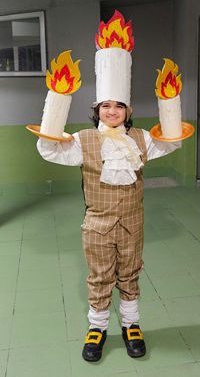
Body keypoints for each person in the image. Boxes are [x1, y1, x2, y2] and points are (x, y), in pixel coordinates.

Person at [37, 99, 181, 361]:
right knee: (100, 276)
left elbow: (172, 141)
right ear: (96, 111)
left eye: (119, 106)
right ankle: (97, 327)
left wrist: (169, 101)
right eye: (105, 106)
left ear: (129, 111)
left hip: (132, 222)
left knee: (130, 273)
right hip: (97, 224)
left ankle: (131, 325)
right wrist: (57, 101)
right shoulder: (84, 140)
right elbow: (50, 151)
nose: (112, 111)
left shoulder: (141, 138)